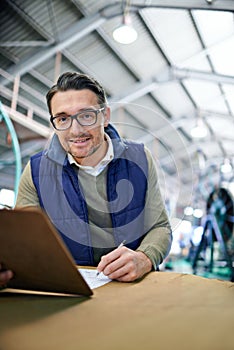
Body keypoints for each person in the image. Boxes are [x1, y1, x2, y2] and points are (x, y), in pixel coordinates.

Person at [0, 72, 172, 286]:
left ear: (105, 115)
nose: (76, 130)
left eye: (86, 115)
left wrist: (144, 258)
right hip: (67, 291)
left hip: (129, 288)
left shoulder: (140, 159)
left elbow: (160, 227)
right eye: (63, 118)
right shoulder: (36, 171)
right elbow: (24, 241)